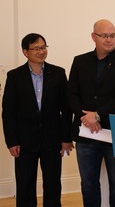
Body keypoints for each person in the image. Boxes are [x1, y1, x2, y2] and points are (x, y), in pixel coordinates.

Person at [67, 19, 115, 207]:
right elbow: (71, 94)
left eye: (112, 35)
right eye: (104, 36)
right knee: (88, 184)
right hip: (86, 134)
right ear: (93, 37)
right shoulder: (80, 61)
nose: (109, 40)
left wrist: (97, 115)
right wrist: (86, 117)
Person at [2, 33, 73, 207]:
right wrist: (12, 141)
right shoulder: (14, 76)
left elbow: (66, 109)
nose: (41, 51)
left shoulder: (58, 73)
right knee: (25, 184)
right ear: (25, 52)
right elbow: (8, 112)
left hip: (53, 139)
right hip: (24, 141)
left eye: (43, 47)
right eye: (36, 48)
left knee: (53, 184)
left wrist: (66, 138)